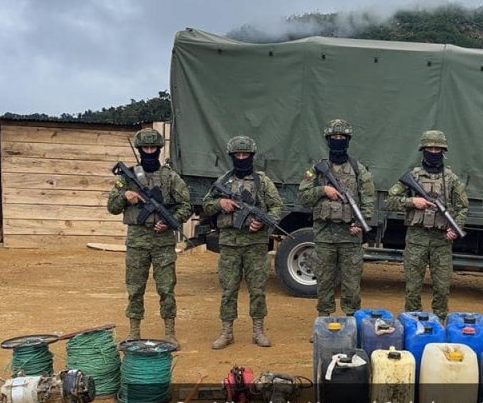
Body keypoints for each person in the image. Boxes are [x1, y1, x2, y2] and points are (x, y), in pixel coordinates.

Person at [106, 129, 192, 345]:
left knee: (166, 288)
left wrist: (171, 220)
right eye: (146, 148)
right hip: (137, 240)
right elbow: (112, 207)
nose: (150, 152)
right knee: (135, 287)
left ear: (159, 149)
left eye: (154, 148)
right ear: (140, 149)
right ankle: (134, 331)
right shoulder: (127, 178)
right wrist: (126, 196)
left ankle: (170, 332)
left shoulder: (170, 176)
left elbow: (186, 206)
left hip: (163, 241)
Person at [201, 136, 283, 349]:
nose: (241, 158)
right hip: (229, 243)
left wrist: (263, 223)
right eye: (237, 155)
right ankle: (227, 332)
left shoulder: (262, 182)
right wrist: (221, 202)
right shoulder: (223, 182)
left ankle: (258, 331)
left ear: (251, 156)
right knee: (228, 289)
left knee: (258, 289)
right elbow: (206, 205)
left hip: (255, 244)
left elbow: (277, 207)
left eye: (244, 154)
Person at [384, 130, 468, 322]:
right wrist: (412, 202)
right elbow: (390, 200)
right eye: (429, 148)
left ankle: (439, 323)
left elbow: (463, 207)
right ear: (423, 150)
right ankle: (413, 322)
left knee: (442, 287)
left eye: (437, 148)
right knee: (412, 286)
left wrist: (456, 227)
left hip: (441, 240)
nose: (433, 151)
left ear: (443, 151)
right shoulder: (413, 176)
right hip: (416, 238)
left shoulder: (451, 179)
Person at [298, 119, 375, 319]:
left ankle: (351, 321)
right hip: (324, 235)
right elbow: (303, 197)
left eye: (342, 137)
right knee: (324, 280)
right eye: (334, 137)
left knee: (351, 283)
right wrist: (323, 189)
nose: (338, 140)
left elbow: (368, 201)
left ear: (347, 140)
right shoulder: (317, 169)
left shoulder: (358, 169)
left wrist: (360, 223)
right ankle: (323, 320)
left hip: (350, 236)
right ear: (328, 140)